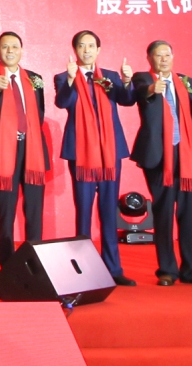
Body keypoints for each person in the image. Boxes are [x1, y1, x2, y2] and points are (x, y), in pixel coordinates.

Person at [53, 30, 137, 286]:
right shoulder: (63, 77)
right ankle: (83, 271)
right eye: (82, 46)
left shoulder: (110, 77)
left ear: (98, 50)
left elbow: (127, 100)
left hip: (110, 153)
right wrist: (70, 79)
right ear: (75, 50)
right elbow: (63, 103)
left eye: (91, 46)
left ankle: (113, 269)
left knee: (109, 211)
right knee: (84, 211)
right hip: (81, 153)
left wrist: (127, 81)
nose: (86, 50)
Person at [131, 40, 192, 286]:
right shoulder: (143, 79)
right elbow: (140, 92)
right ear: (149, 58)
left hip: (187, 155)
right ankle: (167, 270)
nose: (164, 59)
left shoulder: (189, 83)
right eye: (159, 55)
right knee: (164, 212)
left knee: (189, 213)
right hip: (158, 156)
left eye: (167, 55)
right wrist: (152, 89)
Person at [0, 32, 49, 268]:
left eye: (14, 47)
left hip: (32, 149)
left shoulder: (35, 78)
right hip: (4, 150)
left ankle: (36, 263)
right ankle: (7, 266)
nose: (10, 51)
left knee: (35, 211)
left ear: (21, 50)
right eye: (5, 47)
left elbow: (40, 110)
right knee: (6, 212)